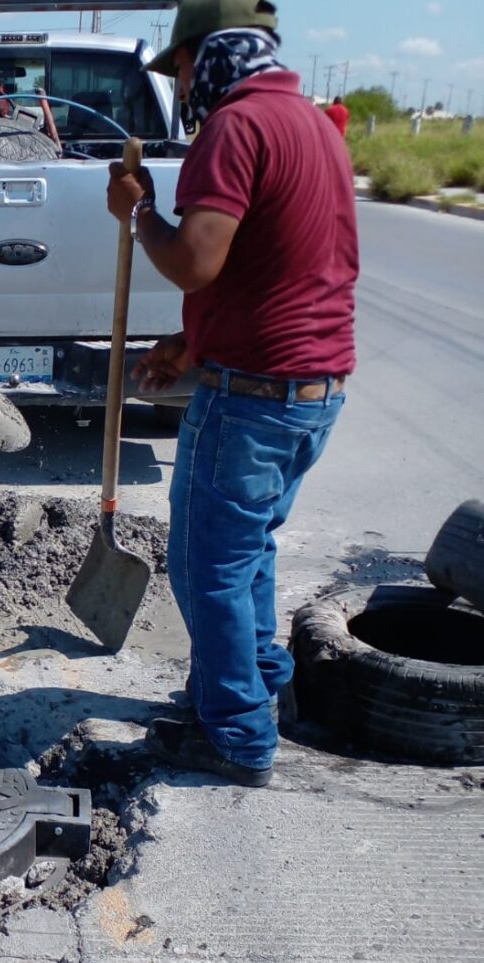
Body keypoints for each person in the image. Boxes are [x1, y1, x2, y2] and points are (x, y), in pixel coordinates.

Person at [106, 0, 358, 786]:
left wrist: (138, 210)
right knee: (245, 556)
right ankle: (254, 690)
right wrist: (191, 344)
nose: (181, 85)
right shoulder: (312, 123)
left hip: (255, 398)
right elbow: (279, 266)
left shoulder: (236, 127)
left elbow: (195, 261)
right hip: (311, 387)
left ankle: (237, 738)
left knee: (204, 566)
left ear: (204, 56)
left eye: (179, 67)